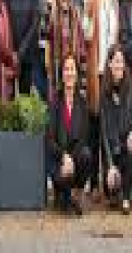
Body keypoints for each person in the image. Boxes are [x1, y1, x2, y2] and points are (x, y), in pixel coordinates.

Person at [87, 0, 120, 193]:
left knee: (109, 126)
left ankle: (109, 183)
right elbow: (87, 33)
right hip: (96, 70)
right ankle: (93, 180)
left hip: (111, 71)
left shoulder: (115, 0)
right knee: (95, 124)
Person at [47, 54, 91, 217]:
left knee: (86, 154)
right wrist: (63, 157)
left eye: (72, 69)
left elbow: (84, 137)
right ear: (62, 74)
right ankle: (64, 194)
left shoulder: (83, 102)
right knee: (64, 208)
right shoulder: (55, 101)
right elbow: (50, 138)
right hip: (59, 159)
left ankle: (76, 193)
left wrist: (71, 158)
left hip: (75, 159)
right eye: (66, 69)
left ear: (77, 73)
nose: (69, 73)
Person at [100, 45, 132, 214]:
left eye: (121, 61)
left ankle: (126, 198)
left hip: (126, 143)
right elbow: (103, 131)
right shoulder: (104, 91)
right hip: (112, 148)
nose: (119, 65)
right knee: (112, 187)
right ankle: (116, 189)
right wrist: (110, 165)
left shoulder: (131, 86)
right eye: (116, 61)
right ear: (109, 64)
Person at [5, 0, 41, 96]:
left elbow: (34, 24)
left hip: (27, 56)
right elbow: (5, 21)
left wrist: (19, 53)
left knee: (25, 101)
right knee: (9, 101)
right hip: (10, 55)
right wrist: (11, 53)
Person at [48, 0, 87, 98]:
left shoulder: (76, 12)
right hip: (56, 75)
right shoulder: (50, 9)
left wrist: (83, 82)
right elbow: (43, 41)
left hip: (74, 76)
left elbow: (82, 49)